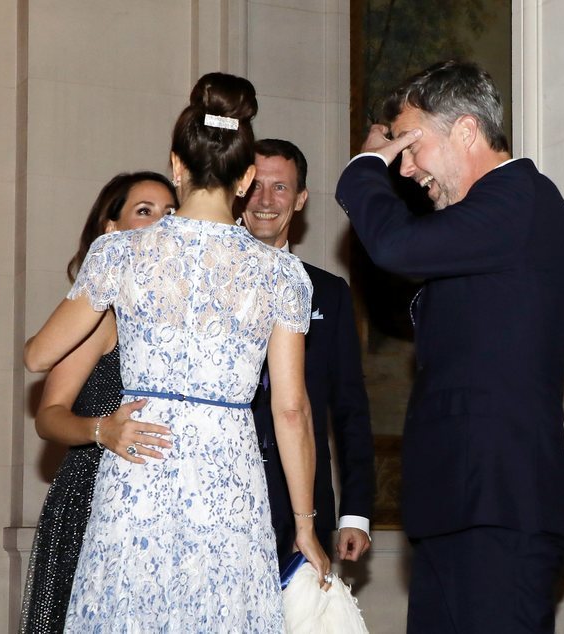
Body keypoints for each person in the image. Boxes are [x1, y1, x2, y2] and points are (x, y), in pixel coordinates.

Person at [24, 72, 330, 631]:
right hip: (229, 490)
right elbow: (292, 411)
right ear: (244, 179)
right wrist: (306, 525)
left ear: (176, 166)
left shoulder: (118, 253)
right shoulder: (282, 275)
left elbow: (38, 357)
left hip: (140, 475)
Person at [335, 60, 564, 633]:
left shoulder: (522, 198)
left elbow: (396, 245)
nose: (409, 167)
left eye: (414, 146)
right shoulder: (484, 223)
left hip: (500, 506)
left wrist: (367, 163)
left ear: (467, 131)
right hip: (459, 506)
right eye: (401, 152)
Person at [19, 172, 176, 633]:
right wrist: (101, 429)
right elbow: (48, 417)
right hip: (91, 496)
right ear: (111, 231)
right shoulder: (100, 314)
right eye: (144, 212)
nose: (159, 225)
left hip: (166, 502)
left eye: (170, 214)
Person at [243, 139, 375, 567]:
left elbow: (351, 408)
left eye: (279, 187)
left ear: (300, 199)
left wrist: (356, 512)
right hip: (220, 498)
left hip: (304, 507)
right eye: (255, 185)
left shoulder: (330, 293)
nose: (265, 200)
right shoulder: (203, 283)